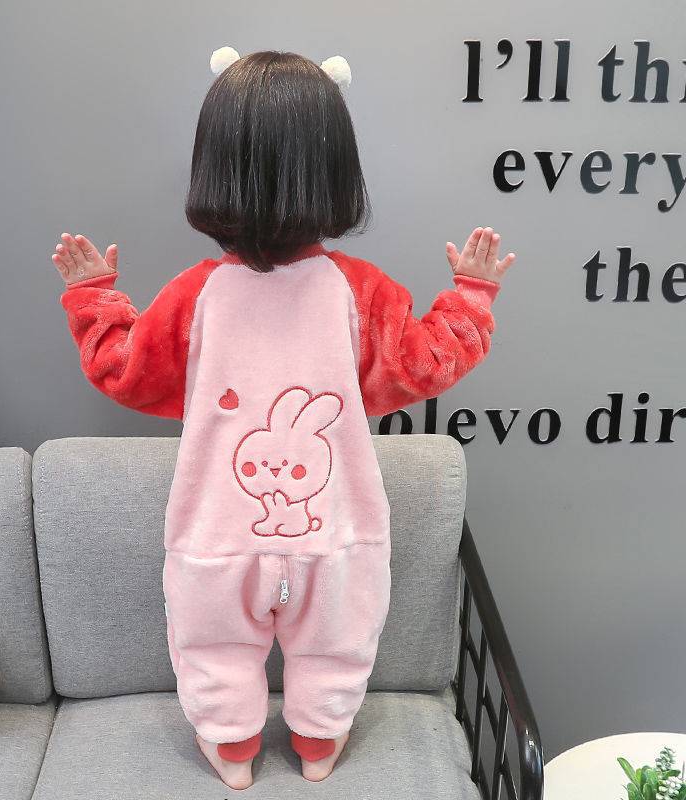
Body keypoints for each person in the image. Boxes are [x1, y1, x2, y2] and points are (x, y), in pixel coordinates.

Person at [51, 48, 515, 791]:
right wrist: (470, 298)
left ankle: (233, 749)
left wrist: (94, 300)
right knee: (336, 645)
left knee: (213, 647)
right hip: (337, 532)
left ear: (216, 171)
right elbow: (424, 363)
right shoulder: (358, 292)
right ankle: (318, 742)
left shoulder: (197, 295)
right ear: (334, 171)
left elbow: (127, 371)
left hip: (215, 533)